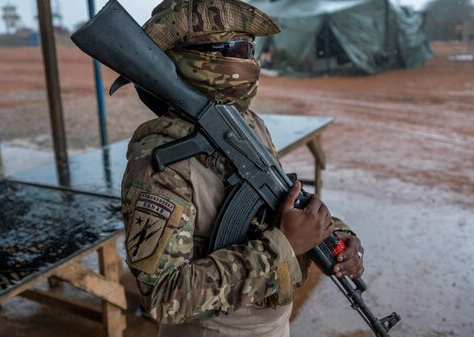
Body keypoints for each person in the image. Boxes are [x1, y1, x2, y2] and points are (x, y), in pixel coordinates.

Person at [120, 1, 364, 336]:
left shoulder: (246, 123)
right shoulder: (161, 160)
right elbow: (165, 296)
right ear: (187, 57)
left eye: (251, 48)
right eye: (235, 48)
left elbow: (278, 195)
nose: (248, 61)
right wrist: (283, 247)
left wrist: (335, 235)